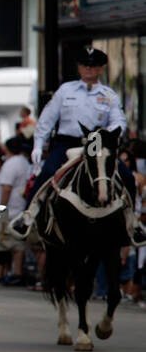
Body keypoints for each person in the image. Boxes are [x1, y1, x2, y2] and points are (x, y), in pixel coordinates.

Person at [10, 46, 146, 246]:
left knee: (126, 176)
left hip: (99, 144)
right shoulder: (66, 90)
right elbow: (47, 119)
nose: (89, 69)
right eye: (85, 66)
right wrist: (38, 145)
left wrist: (109, 134)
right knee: (47, 173)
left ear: (101, 69)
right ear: (79, 68)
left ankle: (132, 223)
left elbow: (119, 120)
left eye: (94, 66)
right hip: (68, 143)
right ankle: (28, 216)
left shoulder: (108, 95)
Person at [0, 136, 30, 285]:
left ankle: (14, 273)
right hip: (19, 207)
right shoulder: (24, 162)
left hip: (10, 210)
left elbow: (6, 188)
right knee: (15, 243)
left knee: (10, 244)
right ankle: (13, 272)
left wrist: (0, 209)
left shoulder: (11, 164)